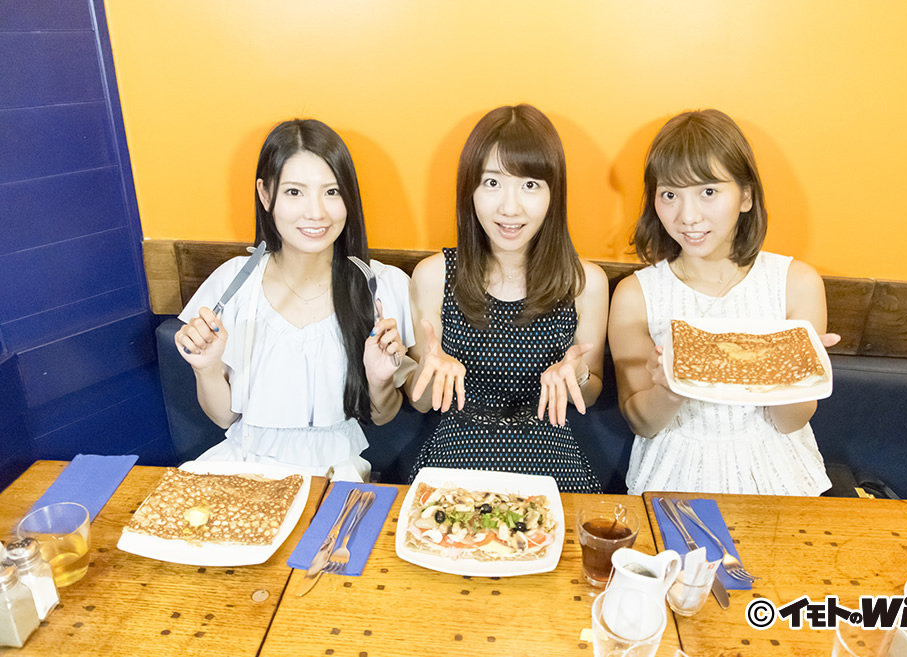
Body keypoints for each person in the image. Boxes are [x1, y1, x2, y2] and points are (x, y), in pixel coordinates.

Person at [610, 109, 839, 496]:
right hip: (674, 475)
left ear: (746, 195)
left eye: (708, 192)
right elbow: (642, 423)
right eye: (669, 195)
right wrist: (670, 388)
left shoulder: (796, 284)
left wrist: (793, 369)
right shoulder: (636, 295)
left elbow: (792, 422)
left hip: (779, 473)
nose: (687, 216)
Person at [175, 119, 413, 480]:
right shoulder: (233, 284)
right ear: (265, 194)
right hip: (241, 466)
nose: (316, 212)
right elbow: (224, 417)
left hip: (336, 473)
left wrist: (379, 380)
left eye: (331, 192)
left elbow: (382, 415)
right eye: (294, 192)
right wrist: (205, 368)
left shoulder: (380, 286)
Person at [406, 104, 609, 493]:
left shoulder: (585, 283)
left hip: (551, 467)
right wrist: (430, 371)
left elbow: (590, 393)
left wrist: (578, 375)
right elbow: (421, 402)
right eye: (492, 183)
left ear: (553, 194)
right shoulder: (433, 276)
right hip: (455, 465)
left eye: (530, 185)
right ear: (470, 190)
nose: (510, 208)